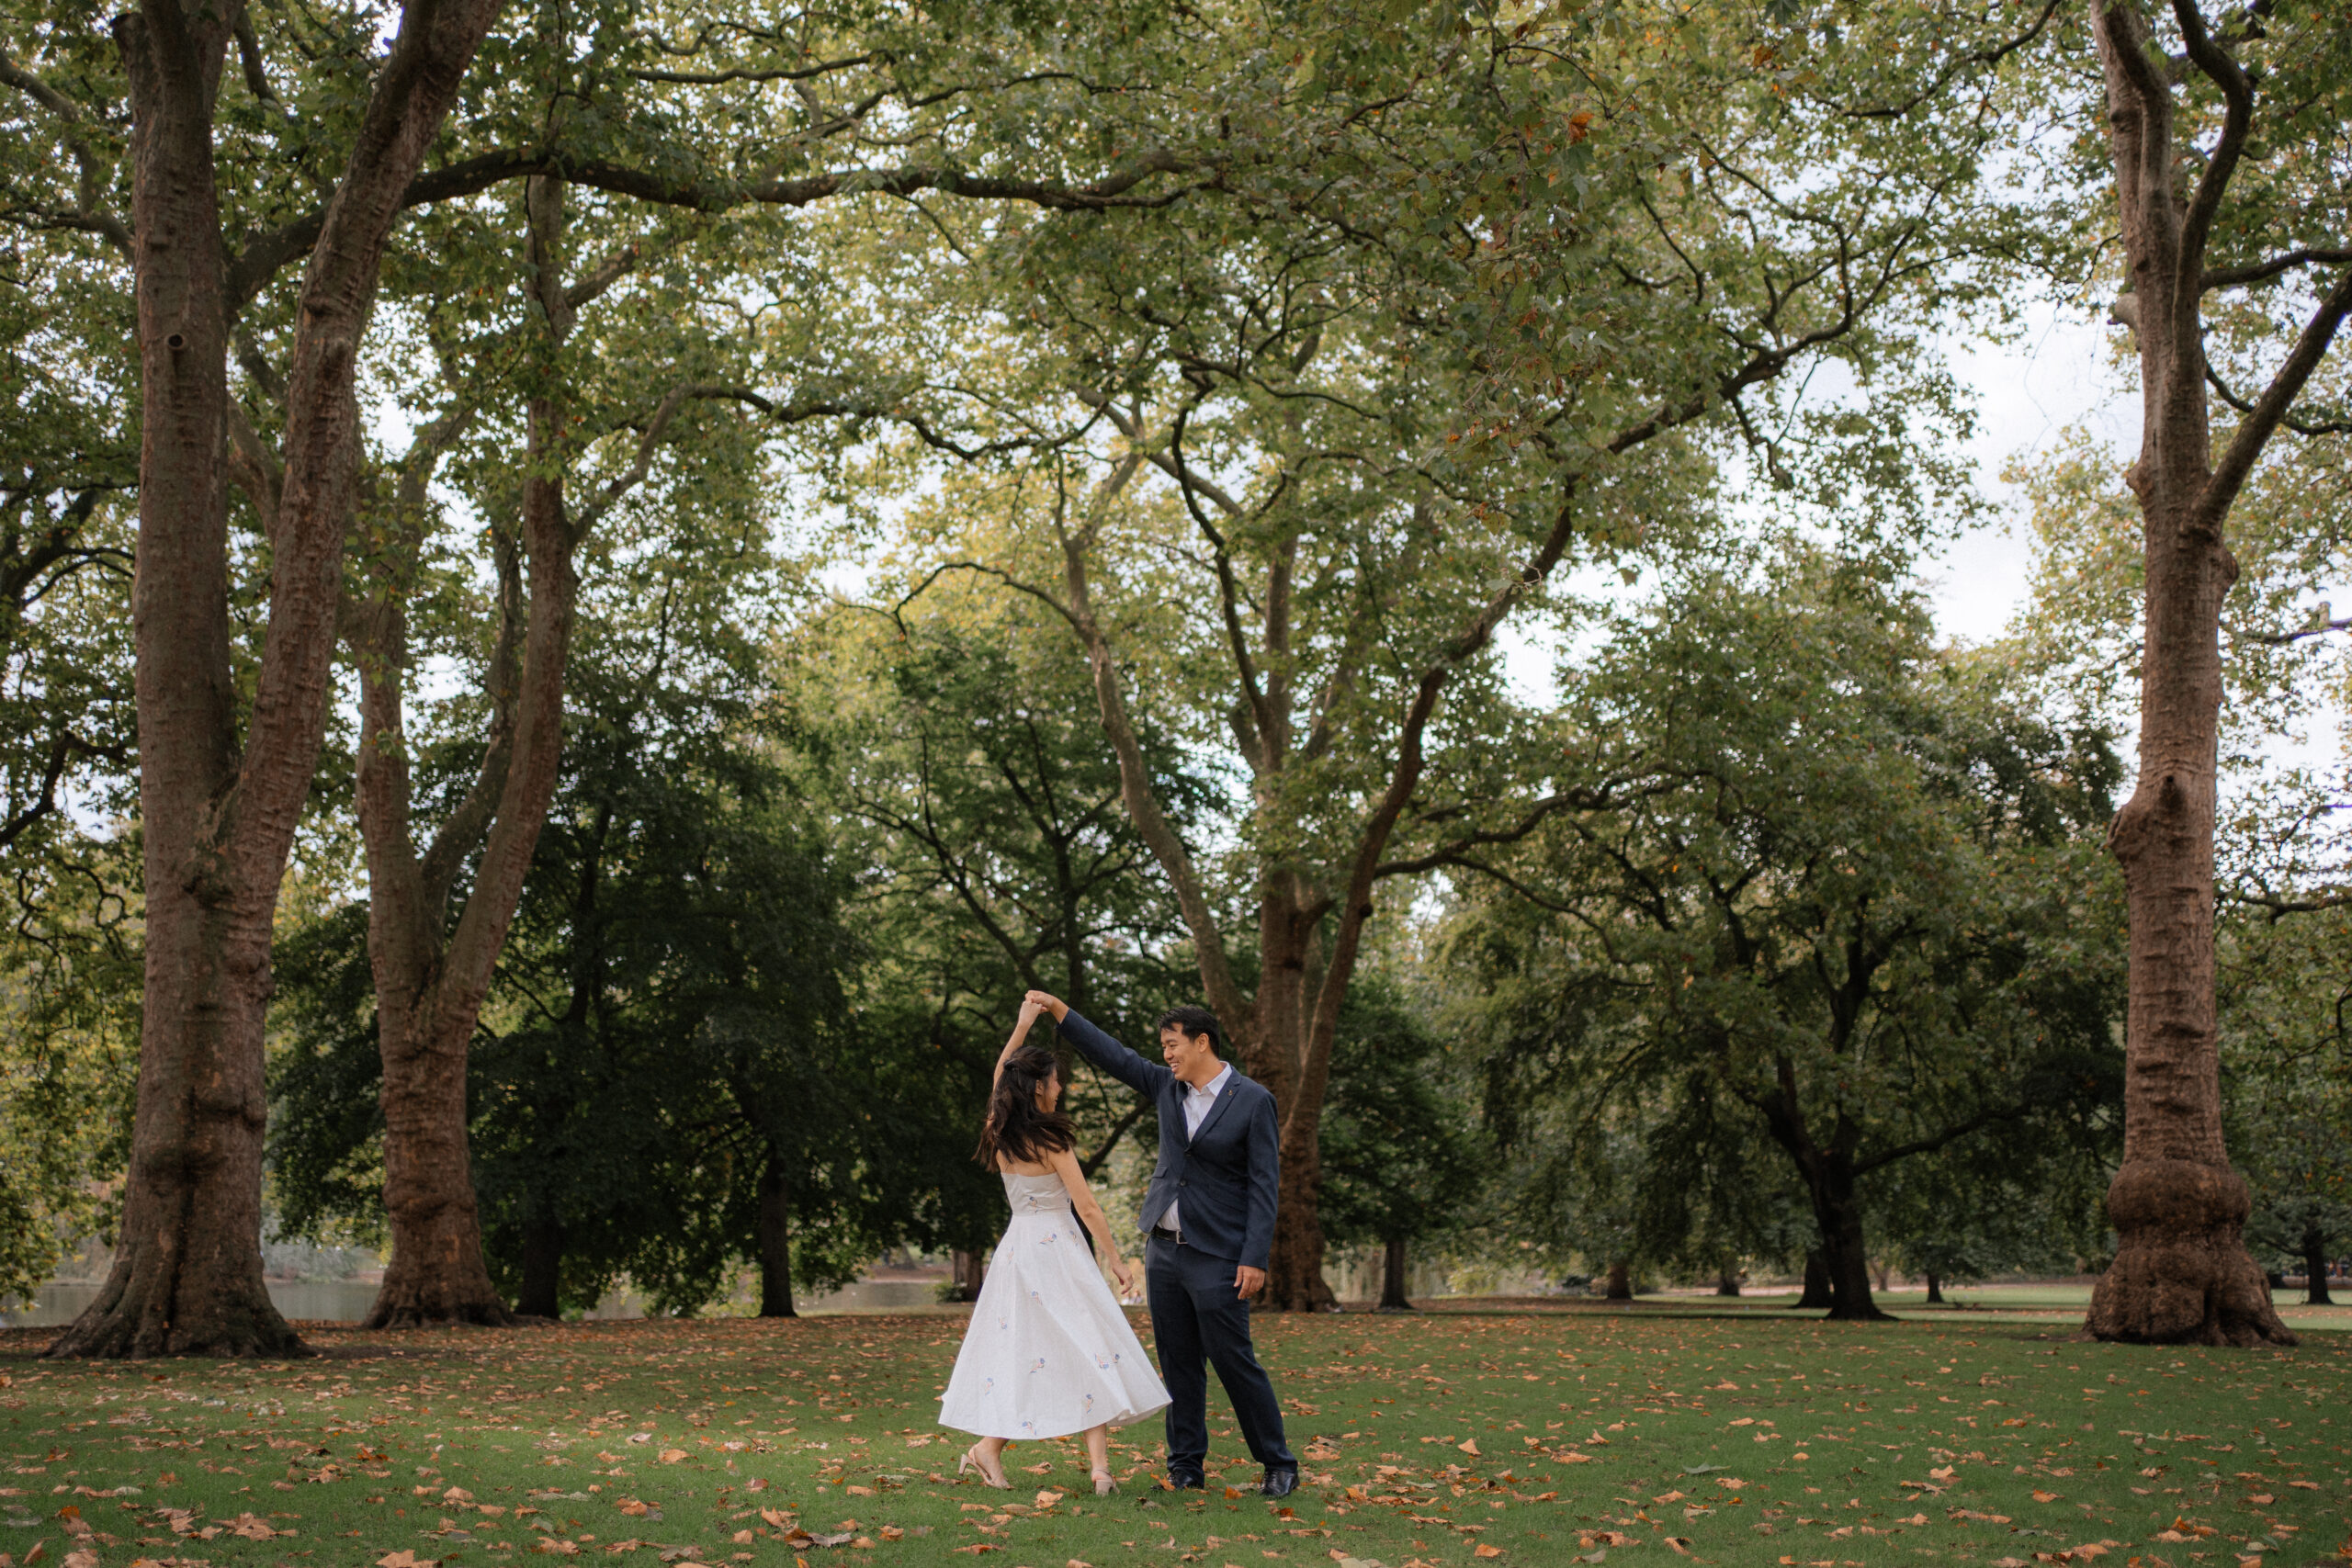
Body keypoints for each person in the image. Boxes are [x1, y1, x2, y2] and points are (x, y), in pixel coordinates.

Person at [1023, 989, 1299, 1499]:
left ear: (1202, 1042)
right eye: (1163, 1046)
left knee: (1233, 1360)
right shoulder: (1165, 1088)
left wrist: (1254, 1257)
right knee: (1178, 1362)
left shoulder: (1254, 1101)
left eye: (1173, 1045)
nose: (1166, 1054)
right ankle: (1186, 1465)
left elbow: (1265, 1185)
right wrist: (1061, 1014)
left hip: (1219, 1254)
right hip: (1165, 1251)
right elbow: (1113, 1054)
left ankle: (1278, 1463)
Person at [936, 998, 1170, 1495]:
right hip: (1059, 1250)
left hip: (1019, 1250)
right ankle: (1025, 1455)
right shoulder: (1053, 1140)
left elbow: (1001, 1076)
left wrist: (1022, 1025)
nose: (1060, 1086)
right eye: (1056, 1079)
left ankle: (1089, 1465)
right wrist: (1114, 1260)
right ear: (1039, 1086)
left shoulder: (998, 1133)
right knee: (1090, 1345)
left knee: (1041, 1350)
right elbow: (1087, 1207)